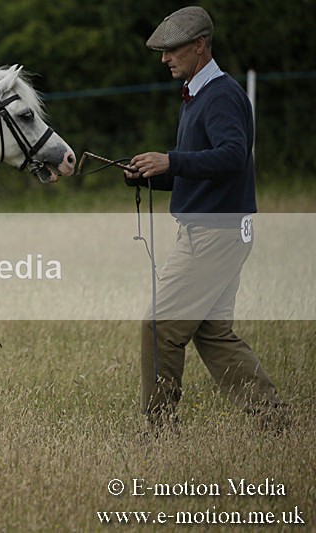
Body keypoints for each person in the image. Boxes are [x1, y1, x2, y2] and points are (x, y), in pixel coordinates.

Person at [124, 6, 285, 430]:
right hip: (218, 230)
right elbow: (202, 174)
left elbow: (233, 157)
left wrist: (170, 160)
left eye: (172, 50)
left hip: (214, 234)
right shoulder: (197, 96)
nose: (165, 59)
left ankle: (158, 429)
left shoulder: (221, 95)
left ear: (199, 46)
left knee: (159, 327)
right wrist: (150, 176)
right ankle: (271, 418)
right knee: (212, 332)